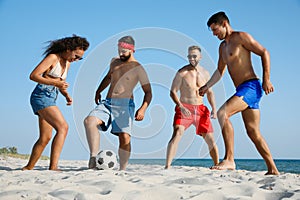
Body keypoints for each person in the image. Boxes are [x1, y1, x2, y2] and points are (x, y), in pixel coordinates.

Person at [199, 11, 279, 175]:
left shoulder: (241, 37)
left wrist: (267, 79)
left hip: (251, 86)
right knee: (253, 132)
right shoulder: (222, 47)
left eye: (215, 30)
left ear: (224, 24)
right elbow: (220, 71)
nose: (214, 34)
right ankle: (273, 169)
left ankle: (229, 159)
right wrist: (207, 86)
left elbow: (264, 52)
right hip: (242, 90)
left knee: (222, 113)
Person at [84, 36, 152, 170]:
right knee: (89, 121)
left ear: (132, 50)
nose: (120, 54)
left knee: (125, 138)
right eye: (119, 50)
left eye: (124, 51)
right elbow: (109, 77)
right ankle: (93, 157)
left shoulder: (138, 68)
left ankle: (123, 169)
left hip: (125, 105)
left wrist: (143, 109)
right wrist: (98, 90)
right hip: (108, 103)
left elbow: (148, 92)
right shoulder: (114, 62)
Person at [23, 35, 90, 170]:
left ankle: (28, 168)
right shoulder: (53, 57)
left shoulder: (67, 63)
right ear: (68, 49)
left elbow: (59, 83)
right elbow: (33, 75)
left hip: (51, 97)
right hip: (41, 96)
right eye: (76, 56)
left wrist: (66, 95)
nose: (76, 59)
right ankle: (53, 167)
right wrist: (54, 82)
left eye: (79, 58)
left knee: (45, 138)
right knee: (63, 127)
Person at [165, 45, 219, 169]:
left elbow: (210, 92)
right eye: (189, 56)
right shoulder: (182, 72)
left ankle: (217, 165)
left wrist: (214, 109)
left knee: (210, 138)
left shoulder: (205, 73)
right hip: (184, 108)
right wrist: (180, 106)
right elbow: (172, 92)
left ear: (200, 57)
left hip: (201, 109)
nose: (192, 59)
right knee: (177, 132)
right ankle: (167, 166)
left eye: (194, 56)